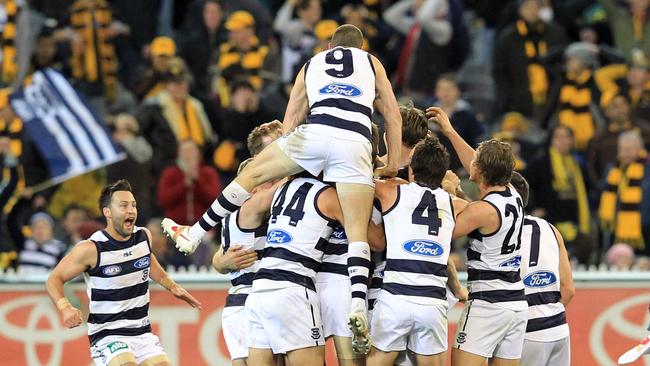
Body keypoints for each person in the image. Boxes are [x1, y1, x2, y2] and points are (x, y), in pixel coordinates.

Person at [163, 24, 402, 351]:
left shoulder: (311, 64)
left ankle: (194, 232)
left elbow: (290, 121)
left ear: (329, 45)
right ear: (362, 47)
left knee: (249, 176)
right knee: (359, 233)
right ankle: (358, 305)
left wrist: (292, 159)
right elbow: (392, 113)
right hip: (355, 141)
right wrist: (393, 162)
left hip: (315, 134)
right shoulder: (372, 62)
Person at [45, 179, 201, 366]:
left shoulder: (143, 237)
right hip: (108, 335)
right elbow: (54, 278)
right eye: (123, 205)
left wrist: (171, 285)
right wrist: (65, 307)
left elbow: (146, 261)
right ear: (107, 212)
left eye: (133, 205)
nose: (131, 210)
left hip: (142, 333)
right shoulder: (91, 249)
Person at [427, 106, 527, 366]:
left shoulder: (483, 209)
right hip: (516, 303)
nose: (470, 162)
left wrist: (448, 191)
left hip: (488, 302)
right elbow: (477, 210)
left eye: (475, 161)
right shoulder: (511, 194)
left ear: (481, 170)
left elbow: (443, 230)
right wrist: (449, 131)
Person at [368, 136, 468, 366]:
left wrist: (384, 168)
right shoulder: (454, 204)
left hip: (395, 297)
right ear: (442, 172)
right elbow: (478, 213)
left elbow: (357, 182)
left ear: (411, 169)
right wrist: (454, 189)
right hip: (432, 302)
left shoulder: (392, 191)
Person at [211, 121, 283, 366]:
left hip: (256, 300)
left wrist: (220, 261)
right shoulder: (250, 207)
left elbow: (221, 258)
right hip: (250, 300)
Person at [510, 172, 575, 366]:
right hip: (559, 328)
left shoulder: (498, 230)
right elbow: (569, 290)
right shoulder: (551, 229)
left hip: (525, 331)